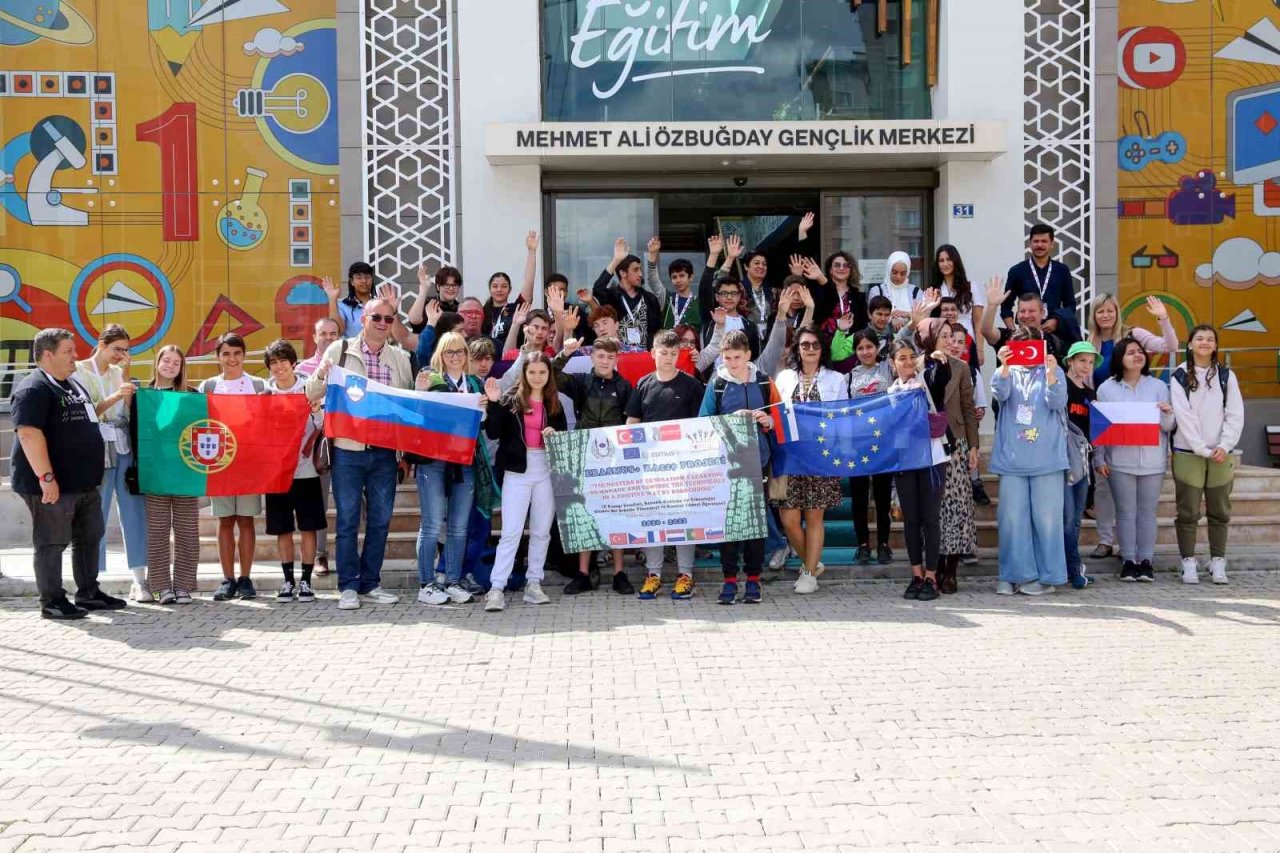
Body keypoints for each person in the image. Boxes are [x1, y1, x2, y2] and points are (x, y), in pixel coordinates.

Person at [11, 328, 127, 619]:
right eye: (68, 352)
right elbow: (28, 434)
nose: (76, 357)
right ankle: (52, 601)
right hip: (52, 485)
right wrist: (46, 478)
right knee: (52, 542)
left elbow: (90, 417)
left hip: (84, 483)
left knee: (90, 537)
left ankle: (88, 593)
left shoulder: (73, 385)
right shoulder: (33, 388)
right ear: (47, 355)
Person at [305, 298, 411, 610]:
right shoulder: (339, 350)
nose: (382, 323)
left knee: (380, 520)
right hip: (348, 450)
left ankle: (371, 583)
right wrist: (323, 374)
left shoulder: (400, 358)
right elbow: (311, 392)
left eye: (388, 319)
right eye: (376, 317)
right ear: (363, 319)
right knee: (348, 521)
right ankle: (348, 586)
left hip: (385, 453)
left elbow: (405, 404)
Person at [699, 330, 781, 605]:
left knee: (756, 526)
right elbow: (703, 423)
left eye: (737, 357)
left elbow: (780, 419)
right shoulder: (718, 383)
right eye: (727, 357)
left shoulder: (763, 381)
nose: (732, 363)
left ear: (748, 355)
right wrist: (732, 420)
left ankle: (754, 581)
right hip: (728, 466)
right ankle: (730, 581)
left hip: (759, 462)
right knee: (731, 525)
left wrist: (767, 421)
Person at [413, 332, 495, 606]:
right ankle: (426, 584)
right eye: (450, 352)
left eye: (460, 351)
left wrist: (486, 407)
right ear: (441, 355)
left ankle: (452, 580)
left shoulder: (474, 383)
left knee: (460, 527)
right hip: (433, 461)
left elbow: (482, 427)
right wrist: (420, 394)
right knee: (433, 523)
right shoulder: (431, 378)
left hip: (465, 460)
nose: (456, 357)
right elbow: (418, 418)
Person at [482, 353, 568, 611]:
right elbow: (493, 433)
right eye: (532, 373)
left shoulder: (555, 402)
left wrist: (555, 434)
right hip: (518, 472)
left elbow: (563, 436)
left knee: (541, 531)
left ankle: (534, 583)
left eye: (542, 373)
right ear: (525, 374)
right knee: (511, 531)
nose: (537, 377)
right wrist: (494, 404)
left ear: (549, 375)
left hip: (545, 469)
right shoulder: (510, 399)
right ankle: (497, 587)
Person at [627, 330, 707, 600]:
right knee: (653, 520)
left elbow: (701, 426)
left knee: (685, 521)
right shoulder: (643, 384)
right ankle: (654, 575)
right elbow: (632, 423)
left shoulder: (692, 386)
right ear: (653, 353)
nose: (669, 358)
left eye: (674, 354)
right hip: (651, 468)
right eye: (664, 353)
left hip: (683, 469)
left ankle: (686, 575)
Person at [553, 335, 636, 595]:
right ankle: (583, 573)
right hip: (584, 455)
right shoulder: (582, 382)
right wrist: (564, 354)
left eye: (610, 357)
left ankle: (619, 573)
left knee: (616, 514)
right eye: (601, 356)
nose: (605, 361)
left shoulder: (624, 387)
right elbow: (553, 375)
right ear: (591, 357)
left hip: (614, 460)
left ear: (616, 359)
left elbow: (631, 421)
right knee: (584, 514)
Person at [990, 328, 1069, 595]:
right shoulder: (1006, 370)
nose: (1026, 351)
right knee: (1012, 519)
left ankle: (1046, 578)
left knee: (1047, 520)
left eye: (1031, 346)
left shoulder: (1053, 370)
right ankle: (1012, 575)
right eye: (1020, 346)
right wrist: (1003, 365)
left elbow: (1058, 401)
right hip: (1012, 459)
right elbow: (999, 395)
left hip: (1047, 459)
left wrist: (1049, 373)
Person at [772, 326, 847, 594]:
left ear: (822, 349)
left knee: (814, 516)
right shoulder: (783, 378)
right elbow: (776, 413)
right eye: (805, 345)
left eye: (815, 344)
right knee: (789, 519)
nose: (811, 349)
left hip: (821, 457)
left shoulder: (836, 379)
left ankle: (808, 574)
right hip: (788, 455)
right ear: (798, 349)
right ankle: (812, 563)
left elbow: (842, 418)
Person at [74, 325, 147, 599]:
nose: (122, 355)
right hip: (94, 447)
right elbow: (87, 411)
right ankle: (93, 580)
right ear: (101, 344)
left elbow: (127, 411)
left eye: (126, 350)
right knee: (95, 513)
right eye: (117, 349)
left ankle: (140, 578)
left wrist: (126, 381)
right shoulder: (79, 371)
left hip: (122, 443)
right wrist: (116, 396)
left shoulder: (120, 373)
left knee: (133, 508)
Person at [1095, 338, 1175, 583]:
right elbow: (1100, 428)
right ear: (1120, 359)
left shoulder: (1159, 387)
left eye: (1140, 352)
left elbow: (1168, 427)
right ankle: (1129, 561)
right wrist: (1099, 458)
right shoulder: (1106, 389)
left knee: (1147, 513)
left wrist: (1167, 415)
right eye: (1131, 353)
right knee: (1126, 512)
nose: (1137, 356)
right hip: (1119, 460)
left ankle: (1146, 561)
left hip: (1153, 461)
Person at [1170, 325, 1244, 585]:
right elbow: (1183, 415)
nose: (1205, 342)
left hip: (1222, 453)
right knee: (1188, 511)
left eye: (1210, 339)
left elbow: (1235, 414)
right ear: (1189, 344)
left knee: (1220, 510)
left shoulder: (1226, 375)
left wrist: (1224, 445)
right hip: (1189, 451)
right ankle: (1188, 562)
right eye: (1199, 338)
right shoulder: (1179, 375)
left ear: (1215, 345)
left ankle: (1218, 561)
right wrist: (1201, 448)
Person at [198, 333, 267, 601]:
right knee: (225, 520)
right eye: (226, 353)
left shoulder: (259, 385)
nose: (232, 359)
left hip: (249, 462)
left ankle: (246, 578)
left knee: (247, 520)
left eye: (237, 353)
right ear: (218, 357)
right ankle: (227, 579)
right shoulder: (209, 386)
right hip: (220, 462)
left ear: (245, 355)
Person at [262, 340, 325, 602]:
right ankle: (288, 582)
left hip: (307, 469)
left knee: (308, 527)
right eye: (273, 362)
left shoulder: (308, 390)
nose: (279, 367)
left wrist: (317, 411)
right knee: (283, 528)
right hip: (277, 473)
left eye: (282, 361)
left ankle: (306, 582)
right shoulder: (264, 396)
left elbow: (323, 425)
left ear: (293, 363)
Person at [887, 339, 949, 602]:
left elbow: (941, 378)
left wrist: (939, 360)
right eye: (902, 358)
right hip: (905, 460)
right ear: (893, 363)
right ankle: (916, 574)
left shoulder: (927, 380)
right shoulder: (890, 392)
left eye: (912, 356)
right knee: (911, 520)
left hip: (933, 458)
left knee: (931, 519)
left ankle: (932, 576)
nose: (908, 362)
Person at [922, 320, 979, 594]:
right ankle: (934, 565)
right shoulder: (920, 366)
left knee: (956, 509)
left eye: (950, 336)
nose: (947, 340)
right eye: (942, 335)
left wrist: (975, 446)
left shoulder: (961, 367)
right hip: (926, 445)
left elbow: (968, 408)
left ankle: (951, 570)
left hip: (955, 444)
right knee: (934, 510)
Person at [142, 345, 200, 604]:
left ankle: (184, 586)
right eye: (166, 360)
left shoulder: (191, 395)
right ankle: (161, 587)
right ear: (157, 362)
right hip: (155, 474)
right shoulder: (143, 395)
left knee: (187, 531)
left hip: (185, 472)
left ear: (181, 368)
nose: (170, 366)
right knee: (157, 532)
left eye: (176, 363)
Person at [295, 317, 342, 576]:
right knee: (319, 502)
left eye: (333, 334)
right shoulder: (303, 369)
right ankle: (321, 556)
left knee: (353, 501)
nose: (327, 338)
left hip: (346, 439)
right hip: (316, 444)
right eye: (322, 333)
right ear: (314, 337)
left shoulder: (349, 365)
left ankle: (351, 554)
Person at [846, 329, 894, 566]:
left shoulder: (888, 368)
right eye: (860, 348)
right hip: (858, 445)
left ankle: (884, 544)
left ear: (877, 348)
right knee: (859, 497)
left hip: (884, 443)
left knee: (883, 496)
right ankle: (862, 545)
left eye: (869, 347)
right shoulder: (850, 377)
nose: (865, 352)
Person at [1062, 341, 1101, 589]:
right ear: (1070, 362)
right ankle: (1071, 567)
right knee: (1065, 518)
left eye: (1090, 362)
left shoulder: (1090, 395)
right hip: (1063, 463)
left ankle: (1071, 566)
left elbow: (1095, 433)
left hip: (1084, 464)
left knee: (1076, 519)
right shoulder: (1062, 387)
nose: (1086, 366)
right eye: (1082, 360)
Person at [1000, 223, 1079, 342]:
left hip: (1055, 334)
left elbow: (1070, 305)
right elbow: (1006, 306)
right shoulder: (1017, 271)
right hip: (1026, 334)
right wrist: (1014, 332)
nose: (1039, 245)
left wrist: (1056, 321)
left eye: (1044, 241)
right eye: (1036, 241)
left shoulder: (1062, 270)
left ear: (1052, 244)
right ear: (1029, 243)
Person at [1087, 294, 1179, 387]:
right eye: (1100, 312)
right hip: (1100, 399)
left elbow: (1171, 347)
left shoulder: (1133, 334)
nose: (1105, 315)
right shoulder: (1089, 343)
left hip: (1134, 398)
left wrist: (1163, 318)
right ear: (1094, 316)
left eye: (1110, 311)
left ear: (1117, 313)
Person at [592, 238, 662, 350]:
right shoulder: (612, 296)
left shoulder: (649, 298)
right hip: (617, 355)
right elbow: (597, 288)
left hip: (645, 356)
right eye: (635, 270)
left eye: (640, 270)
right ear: (623, 273)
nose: (640, 274)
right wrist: (616, 260)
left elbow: (657, 330)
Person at [698, 237, 762, 358]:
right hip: (713, 375)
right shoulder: (711, 318)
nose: (729, 297)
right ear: (717, 297)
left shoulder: (749, 326)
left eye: (733, 293)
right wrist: (714, 255)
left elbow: (755, 358)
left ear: (739, 297)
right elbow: (704, 289)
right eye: (724, 293)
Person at [980, 278, 1068, 363]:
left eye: (1031, 311)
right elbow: (986, 331)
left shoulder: (1055, 342)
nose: (1026, 316)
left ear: (1042, 313)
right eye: (1022, 311)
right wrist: (992, 306)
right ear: (1017, 314)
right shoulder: (1008, 337)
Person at [483, 231, 539, 345]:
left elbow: (529, 281)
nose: (499, 290)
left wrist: (531, 252)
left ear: (510, 289)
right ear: (489, 289)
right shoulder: (482, 312)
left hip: (511, 359)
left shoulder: (517, 309)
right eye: (495, 286)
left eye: (504, 286)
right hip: (486, 360)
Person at [933, 245, 986, 363]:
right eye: (941, 260)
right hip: (943, 343)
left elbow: (978, 321)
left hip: (967, 341)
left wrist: (980, 350)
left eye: (949, 259)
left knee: (969, 378)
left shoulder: (971, 287)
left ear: (956, 261)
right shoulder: (934, 289)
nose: (945, 264)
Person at [800, 250, 865, 335]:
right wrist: (821, 279)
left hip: (850, 344)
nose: (841, 268)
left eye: (846, 266)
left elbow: (862, 325)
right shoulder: (818, 292)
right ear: (830, 270)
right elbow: (817, 315)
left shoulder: (858, 296)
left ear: (851, 270)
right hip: (823, 343)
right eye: (837, 265)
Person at [643, 237, 700, 332]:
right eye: (674, 277)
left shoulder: (699, 302)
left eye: (682, 276)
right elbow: (653, 280)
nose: (678, 280)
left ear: (691, 277)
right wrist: (652, 255)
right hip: (667, 345)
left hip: (689, 346)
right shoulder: (666, 298)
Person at [830, 295, 894, 370]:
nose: (883, 318)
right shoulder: (859, 336)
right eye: (879, 314)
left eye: (886, 315)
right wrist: (841, 330)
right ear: (870, 314)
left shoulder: (894, 338)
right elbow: (836, 355)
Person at [866, 251, 919, 332]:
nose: (898, 277)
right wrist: (891, 320)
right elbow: (873, 314)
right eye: (894, 272)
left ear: (908, 272)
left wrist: (906, 314)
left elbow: (922, 317)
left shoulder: (916, 292)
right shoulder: (877, 291)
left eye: (903, 273)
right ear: (889, 269)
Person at [324, 261, 375, 337]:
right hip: (351, 348)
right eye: (359, 278)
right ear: (352, 282)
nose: (364, 281)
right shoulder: (342, 305)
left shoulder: (379, 303)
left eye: (367, 277)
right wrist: (332, 299)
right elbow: (338, 331)